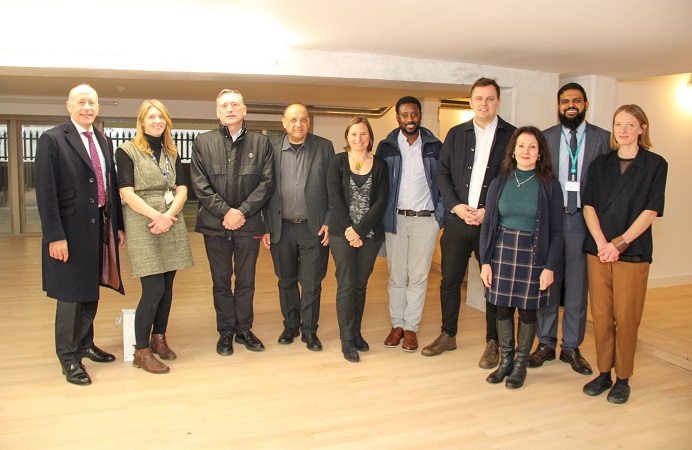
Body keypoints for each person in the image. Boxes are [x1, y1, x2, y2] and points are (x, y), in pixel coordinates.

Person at [424, 77, 516, 370]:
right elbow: (442, 175)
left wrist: (490, 210)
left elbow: (515, 181)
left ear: (498, 102)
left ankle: (494, 343)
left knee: (494, 285)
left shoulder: (511, 136)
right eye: (479, 98)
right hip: (457, 220)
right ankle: (447, 335)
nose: (484, 104)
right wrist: (456, 206)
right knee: (450, 280)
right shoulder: (456, 134)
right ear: (470, 101)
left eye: (490, 98)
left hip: (493, 224)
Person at [35, 84, 125, 386]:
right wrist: (54, 236)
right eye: (81, 102)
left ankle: (86, 344)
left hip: (98, 228)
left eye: (92, 102)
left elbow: (109, 186)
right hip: (69, 232)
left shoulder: (102, 139)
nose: (87, 107)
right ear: (69, 106)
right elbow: (46, 194)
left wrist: (118, 225)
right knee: (70, 297)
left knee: (91, 289)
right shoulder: (52, 140)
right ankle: (69, 358)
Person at [581, 104, 667, 404]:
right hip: (598, 250)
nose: (623, 130)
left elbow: (651, 210)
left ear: (642, 128)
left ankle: (623, 378)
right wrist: (603, 242)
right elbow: (588, 205)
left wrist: (618, 244)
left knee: (627, 318)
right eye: (618, 124)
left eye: (630, 125)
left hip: (632, 252)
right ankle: (604, 372)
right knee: (601, 316)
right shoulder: (599, 163)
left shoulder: (656, 165)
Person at [529, 83, 610, 375]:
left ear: (585, 104)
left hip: (583, 221)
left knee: (577, 287)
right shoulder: (546, 137)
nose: (570, 105)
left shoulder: (603, 139)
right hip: (551, 220)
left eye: (576, 100)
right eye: (565, 101)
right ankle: (546, 343)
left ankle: (571, 347)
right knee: (547, 282)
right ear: (558, 106)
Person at [191, 89, 274, 356]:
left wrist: (242, 212)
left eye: (235, 105)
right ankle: (225, 331)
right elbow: (200, 185)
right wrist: (226, 212)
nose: (230, 109)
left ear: (244, 110)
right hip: (214, 225)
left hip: (248, 225)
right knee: (221, 281)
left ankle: (244, 330)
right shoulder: (203, 142)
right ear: (217, 112)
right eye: (224, 105)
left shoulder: (262, 144)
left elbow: (267, 183)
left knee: (247, 280)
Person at [480, 126, 563, 389]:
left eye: (532, 147)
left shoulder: (549, 185)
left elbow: (557, 231)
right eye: (521, 146)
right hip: (502, 252)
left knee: (527, 312)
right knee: (502, 308)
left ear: (540, 154)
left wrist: (550, 267)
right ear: (513, 151)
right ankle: (505, 361)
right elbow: (488, 225)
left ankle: (520, 364)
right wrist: (485, 261)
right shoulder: (499, 183)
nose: (526, 151)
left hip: (533, 254)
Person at [116, 100, 194, 374]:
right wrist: (156, 216)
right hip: (143, 221)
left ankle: (159, 337)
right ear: (142, 121)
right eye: (151, 117)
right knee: (153, 289)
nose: (157, 121)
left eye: (161, 117)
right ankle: (142, 350)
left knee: (168, 287)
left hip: (171, 218)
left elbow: (183, 187)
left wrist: (169, 215)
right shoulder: (126, 151)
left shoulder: (172, 152)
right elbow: (126, 192)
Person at [262, 103, 335, 351]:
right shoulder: (270, 149)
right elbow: (263, 190)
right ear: (283, 122)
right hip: (280, 228)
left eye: (304, 120)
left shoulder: (323, 147)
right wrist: (264, 225)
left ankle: (310, 331)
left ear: (309, 122)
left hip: (313, 228)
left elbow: (333, 189)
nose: (299, 124)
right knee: (286, 280)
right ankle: (291, 325)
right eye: (293, 120)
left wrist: (328, 220)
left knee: (312, 282)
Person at [377, 96, 443, 352]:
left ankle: (411, 328)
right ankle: (397, 326)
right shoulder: (387, 147)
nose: (410, 119)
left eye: (414, 114)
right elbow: (380, 185)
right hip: (396, 219)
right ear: (398, 117)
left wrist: (440, 216)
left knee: (418, 277)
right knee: (396, 277)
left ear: (420, 115)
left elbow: (445, 182)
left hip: (426, 221)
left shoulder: (435, 146)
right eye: (405, 115)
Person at [327, 117, 389, 362]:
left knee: (361, 286)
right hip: (342, 235)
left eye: (363, 134)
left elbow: (382, 201)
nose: (359, 139)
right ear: (347, 137)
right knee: (346, 286)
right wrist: (350, 231)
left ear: (370, 137)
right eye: (354, 134)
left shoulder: (381, 164)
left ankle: (355, 333)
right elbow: (334, 198)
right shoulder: (337, 161)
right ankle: (346, 340)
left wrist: (361, 231)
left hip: (370, 236)